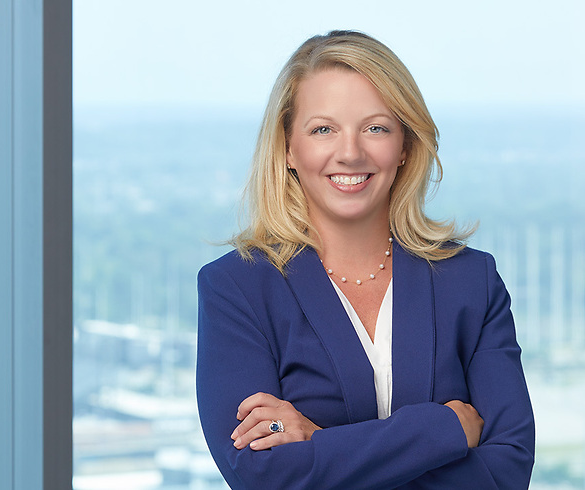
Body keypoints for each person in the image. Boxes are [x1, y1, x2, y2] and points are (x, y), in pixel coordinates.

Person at [196, 30, 534, 489]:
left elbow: (507, 472)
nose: (351, 153)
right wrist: (444, 428)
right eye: (323, 129)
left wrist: (318, 441)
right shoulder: (238, 288)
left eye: (376, 128)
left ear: (405, 145)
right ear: (288, 147)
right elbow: (264, 478)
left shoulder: (472, 281)